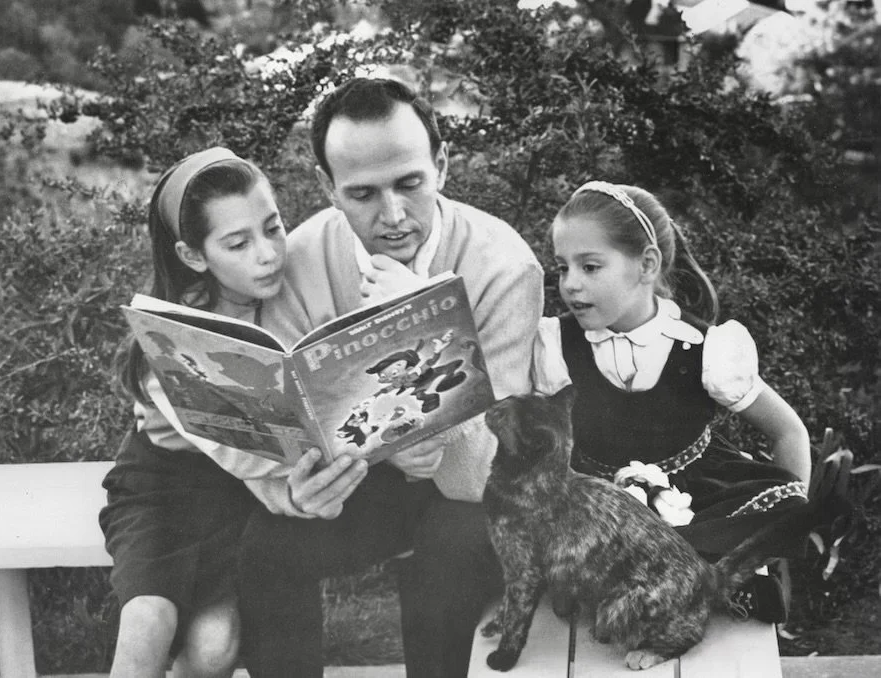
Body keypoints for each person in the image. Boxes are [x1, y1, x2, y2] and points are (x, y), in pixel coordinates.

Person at [236, 77, 545, 678]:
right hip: (365, 481)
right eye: (363, 195)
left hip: (469, 484)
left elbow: (488, 472)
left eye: (410, 184)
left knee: (446, 556)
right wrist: (294, 490)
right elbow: (282, 429)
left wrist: (427, 326)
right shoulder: (301, 260)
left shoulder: (505, 267)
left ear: (443, 165)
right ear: (328, 188)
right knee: (267, 549)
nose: (394, 216)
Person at [532, 180, 813, 623]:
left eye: (589, 267)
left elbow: (787, 430)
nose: (570, 285)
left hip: (697, 499)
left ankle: (713, 578)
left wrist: (778, 538)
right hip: (602, 503)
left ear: (646, 265)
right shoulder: (555, 345)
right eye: (562, 268)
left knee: (783, 509)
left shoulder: (705, 348)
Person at [100, 147, 313, 678]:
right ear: (195, 256)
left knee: (215, 647)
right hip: (165, 489)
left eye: (274, 228)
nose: (267, 254)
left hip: (235, 498)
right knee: (149, 617)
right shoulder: (173, 339)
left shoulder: (295, 292)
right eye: (238, 243)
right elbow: (241, 456)